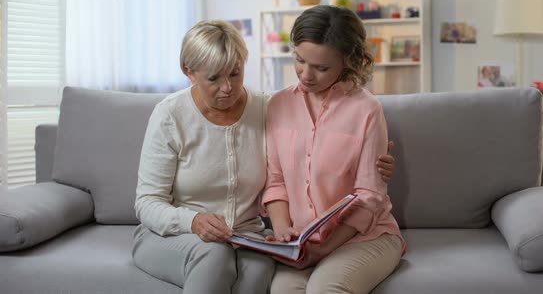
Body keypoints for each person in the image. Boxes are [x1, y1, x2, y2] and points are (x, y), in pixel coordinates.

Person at [132, 20, 396, 293]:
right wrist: (193, 221)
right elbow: (147, 202)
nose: (227, 88)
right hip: (176, 235)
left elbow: (313, 146)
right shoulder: (170, 115)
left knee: (258, 271)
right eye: (213, 78)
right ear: (189, 72)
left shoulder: (268, 107)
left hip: (246, 238)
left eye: (235, 74)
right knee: (213, 255)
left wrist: (378, 164)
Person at [262, 5, 406, 294]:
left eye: (321, 67)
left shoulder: (366, 109)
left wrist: (324, 247)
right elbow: (275, 180)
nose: (306, 75)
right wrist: (282, 230)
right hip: (301, 241)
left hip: (364, 237)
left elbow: (369, 196)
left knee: (325, 290)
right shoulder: (277, 105)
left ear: (348, 61)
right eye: (300, 60)